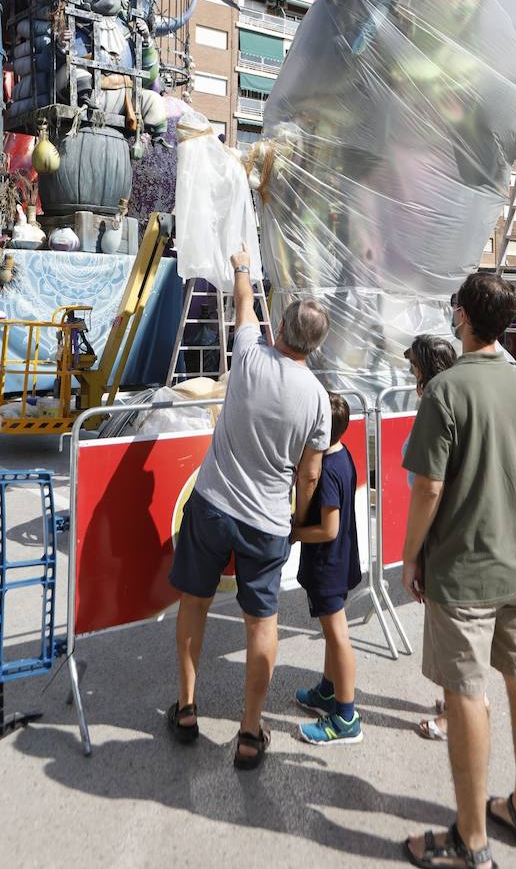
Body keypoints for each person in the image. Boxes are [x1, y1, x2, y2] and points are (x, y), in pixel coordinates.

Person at [402, 272, 516, 868]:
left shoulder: (445, 391)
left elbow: (428, 488)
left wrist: (411, 554)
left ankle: (471, 839)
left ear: (461, 316)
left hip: (465, 569)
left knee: (465, 691)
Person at [167, 245, 331, 772]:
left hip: (213, 503)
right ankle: (249, 729)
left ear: (278, 329)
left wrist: (243, 266)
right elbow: (310, 471)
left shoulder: (251, 356)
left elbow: (242, 304)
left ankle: (188, 707)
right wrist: (301, 519)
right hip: (266, 520)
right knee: (261, 624)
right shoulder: (319, 398)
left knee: (194, 603)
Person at [293, 393, 363, 745]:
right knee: (332, 634)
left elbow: (329, 528)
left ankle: (346, 717)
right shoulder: (342, 454)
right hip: (340, 560)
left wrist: (295, 532)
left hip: (328, 564)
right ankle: (327, 690)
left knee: (338, 637)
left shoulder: (327, 472)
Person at [402, 335, 463, 742]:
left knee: (449, 633)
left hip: (441, 533)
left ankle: (458, 713)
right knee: (452, 630)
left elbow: (429, 486)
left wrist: (413, 553)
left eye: (413, 367)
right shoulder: (456, 399)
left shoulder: (436, 405)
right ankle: (460, 701)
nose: (409, 373)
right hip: (452, 528)